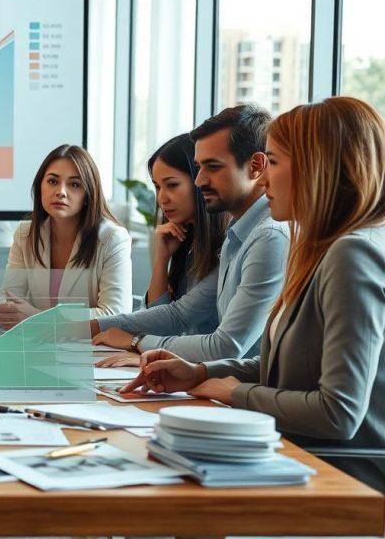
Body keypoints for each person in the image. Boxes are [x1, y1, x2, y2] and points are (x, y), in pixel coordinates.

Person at [120, 96, 385, 491]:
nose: (263, 180)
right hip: (295, 454)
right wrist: (199, 373)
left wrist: (235, 392)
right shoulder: (319, 247)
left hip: (337, 477)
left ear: (318, 168)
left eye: (274, 162)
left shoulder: (352, 253)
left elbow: (339, 412)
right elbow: (288, 368)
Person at [91, 104, 288, 363]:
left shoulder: (269, 236)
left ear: (256, 166)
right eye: (199, 167)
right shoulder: (237, 233)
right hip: (214, 382)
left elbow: (225, 346)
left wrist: (138, 342)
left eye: (212, 167)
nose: (199, 180)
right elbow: (175, 317)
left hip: (233, 391)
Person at [97, 134, 227, 368]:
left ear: (199, 182)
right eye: (157, 187)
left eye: (172, 185)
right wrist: (162, 258)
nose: (161, 198)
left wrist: (135, 341)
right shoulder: (189, 241)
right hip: (188, 366)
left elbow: (177, 318)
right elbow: (162, 317)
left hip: (212, 372)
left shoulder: (225, 247)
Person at [0, 144, 132, 329]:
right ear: (40, 186)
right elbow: (8, 295)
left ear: (88, 194)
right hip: (39, 345)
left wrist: (37, 317)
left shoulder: (112, 238)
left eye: (74, 184)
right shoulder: (25, 234)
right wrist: (0, 310)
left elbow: (115, 314)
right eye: (52, 181)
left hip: (91, 348)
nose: (61, 192)